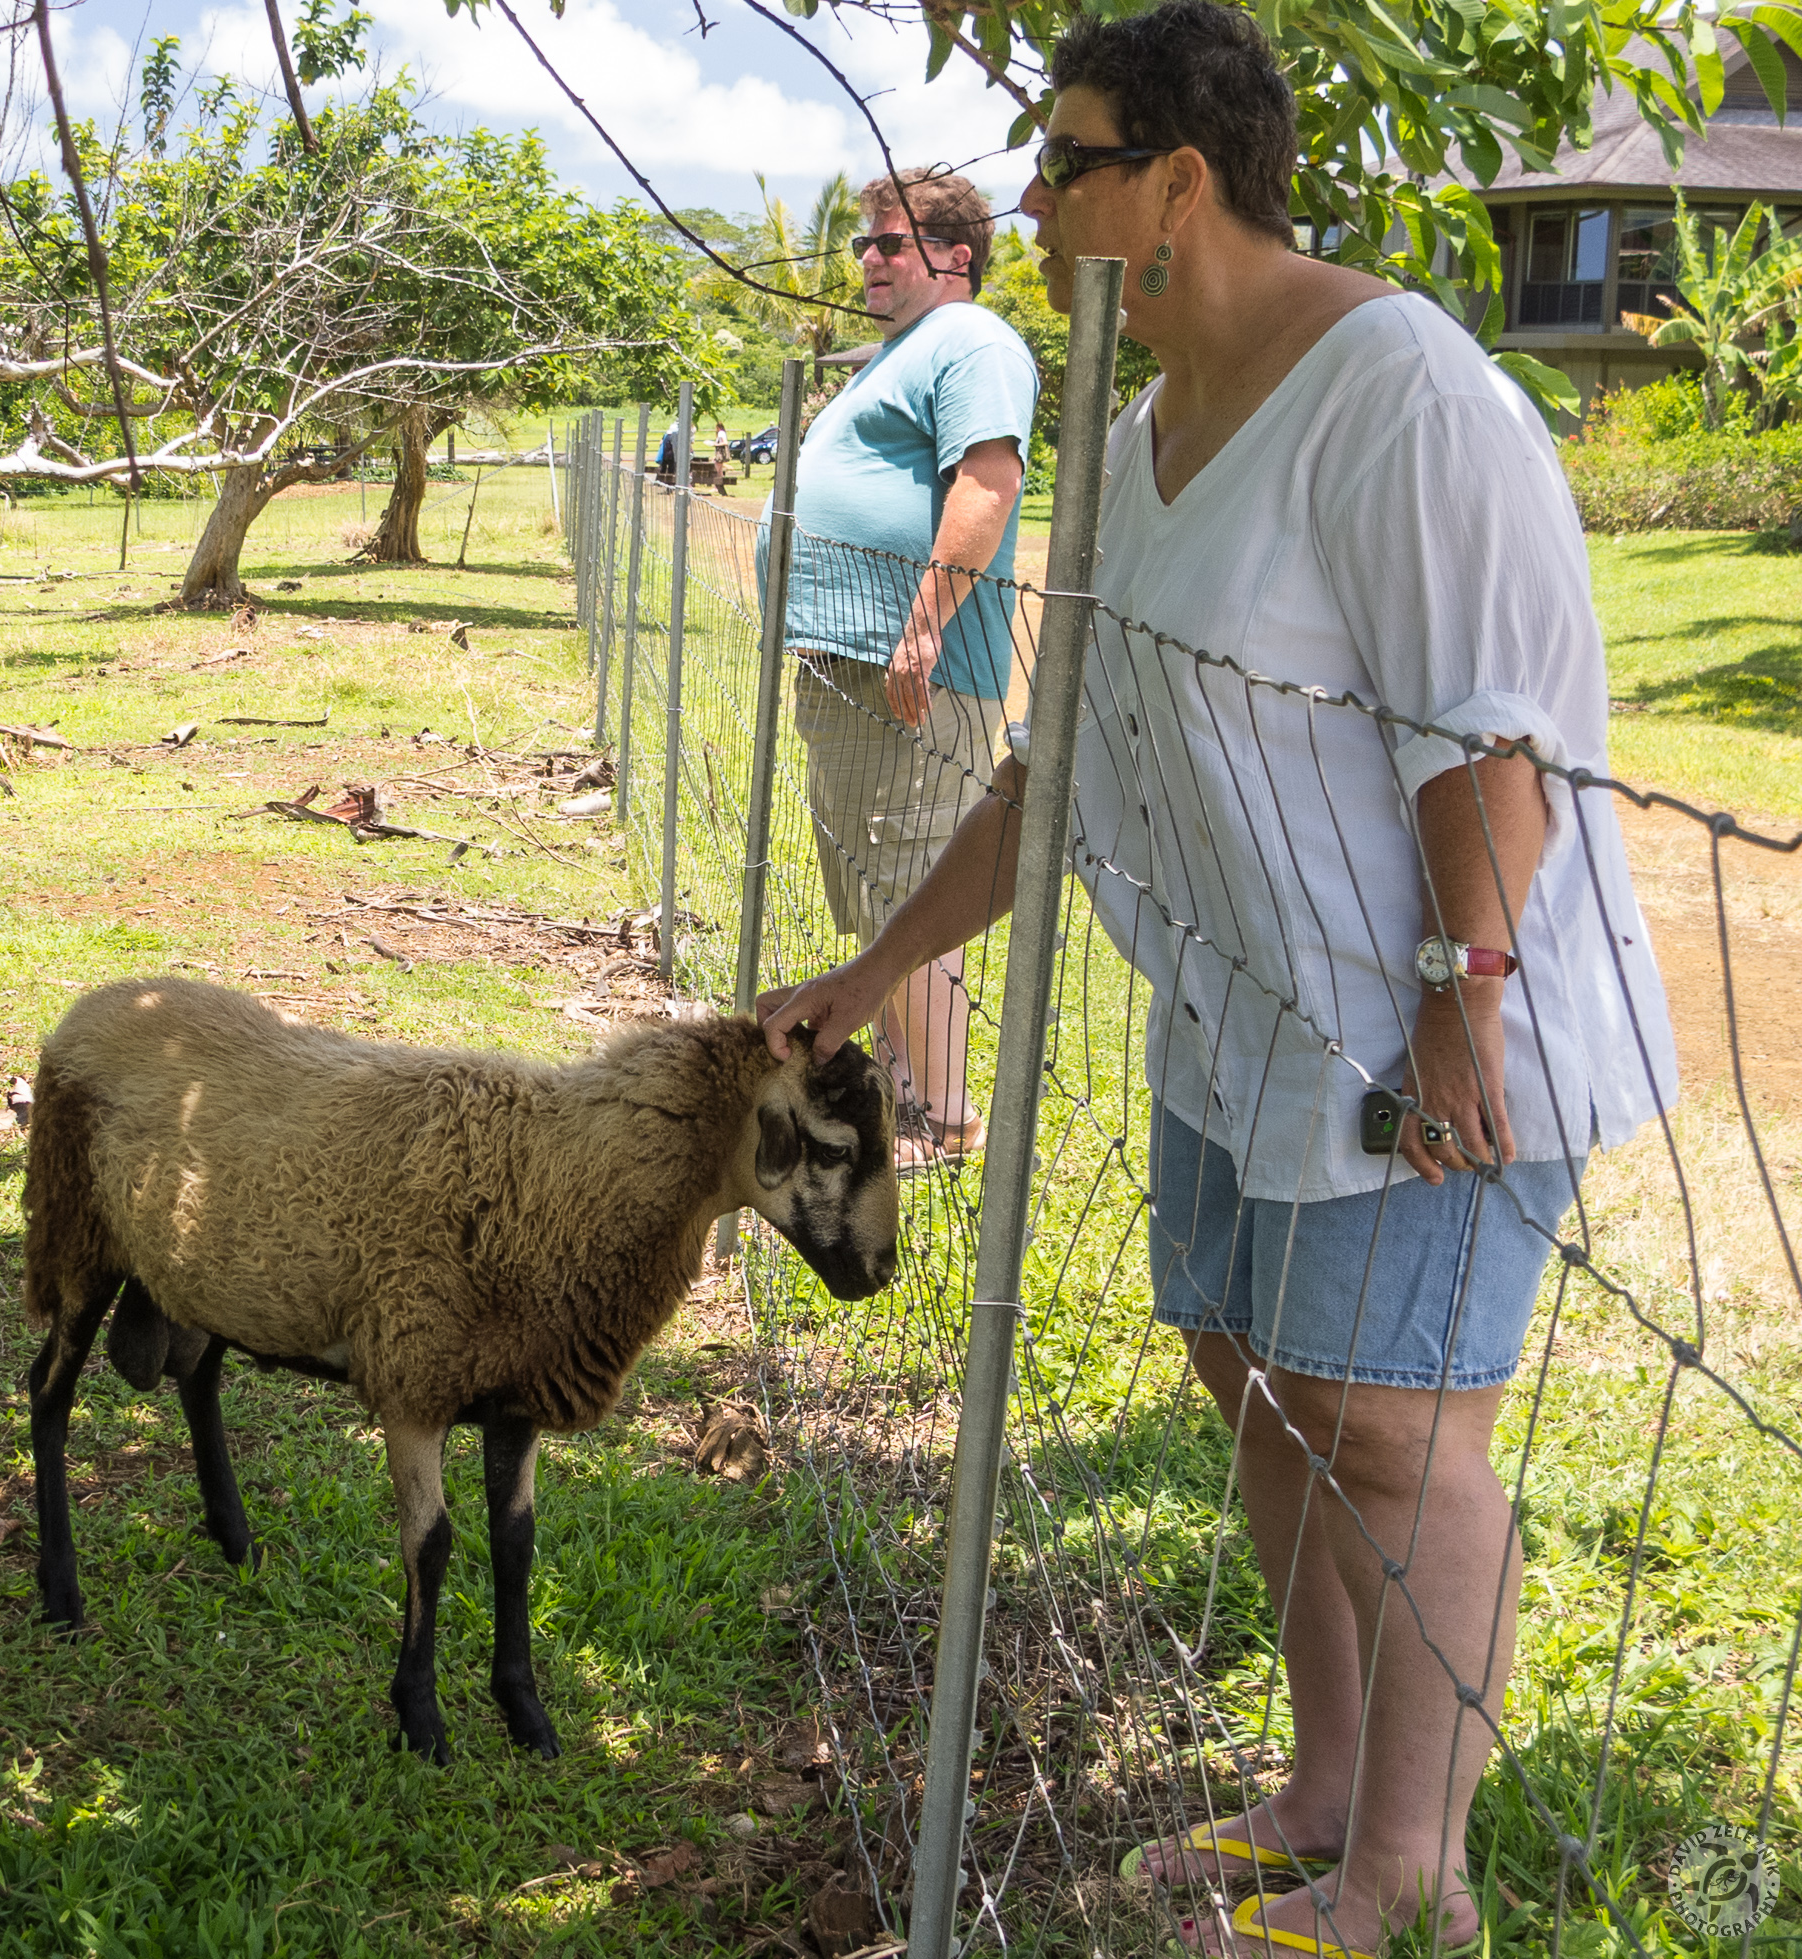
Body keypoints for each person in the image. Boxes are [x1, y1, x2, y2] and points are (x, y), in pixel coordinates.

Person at [759, 6, 1673, 1954]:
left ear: (1174, 183)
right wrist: (871, 969)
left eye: (1066, 160)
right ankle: (1323, 1792)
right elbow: (1057, 762)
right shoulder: (1135, 431)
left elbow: (1489, 734)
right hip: (1240, 1027)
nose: (1034, 199)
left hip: (1428, 1022)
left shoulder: (1395, 392)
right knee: (1254, 1388)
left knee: (1392, 1426)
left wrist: (1463, 990)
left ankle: (1408, 1876)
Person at [769, 167, 1035, 1170]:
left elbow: (987, 478)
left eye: (888, 243)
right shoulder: (903, 350)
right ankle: (901, 1088)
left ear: (952, 255)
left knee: (911, 877)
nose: (869, 260)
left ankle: (939, 1118)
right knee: (870, 881)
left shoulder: (970, 342)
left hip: (915, 676)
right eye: (863, 246)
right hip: (853, 671)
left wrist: (921, 629)